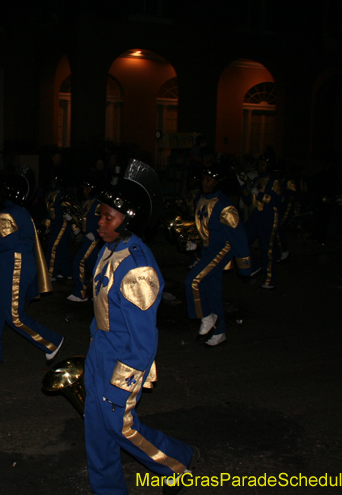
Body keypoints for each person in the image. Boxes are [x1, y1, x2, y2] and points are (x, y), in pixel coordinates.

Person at [85, 159, 197, 495]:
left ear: (128, 220)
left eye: (108, 217)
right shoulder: (110, 248)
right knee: (96, 427)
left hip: (124, 357)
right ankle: (108, 489)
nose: (100, 221)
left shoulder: (137, 268)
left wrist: (126, 378)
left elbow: (144, 339)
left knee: (121, 426)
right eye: (100, 214)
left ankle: (177, 462)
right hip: (101, 350)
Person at [0, 168, 63, 365]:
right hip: (9, 266)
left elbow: (4, 243)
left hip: (14, 268)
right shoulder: (19, 211)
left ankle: (51, 341)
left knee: (13, 315)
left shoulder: (10, 212)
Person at [185, 164, 255, 347]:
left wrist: (245, 267)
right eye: (203, 179)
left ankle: (207, 318)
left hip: (221, 249)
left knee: (192, 281)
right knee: (212, 292)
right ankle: (220, 331)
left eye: (209, 180)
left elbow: (238, 236)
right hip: (208, 250)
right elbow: (201, 225)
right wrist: (193, 241)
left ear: (218, 182)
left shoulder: (225, 206)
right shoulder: (201, 199)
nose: (204, 183)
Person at [241, 149, 282, 289]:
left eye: (263, 164)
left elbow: (277, 200)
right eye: (260, 164)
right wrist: (242, 186)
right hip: (255, 217)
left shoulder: (274, 181)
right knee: (240, 239)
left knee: (267, 249)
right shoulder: (257, 180)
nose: (260, 166)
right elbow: (248, 199)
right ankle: (254, 266)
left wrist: (260, 195)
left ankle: (270, 279)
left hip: (268, 217)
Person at [67, 176, 102, 302]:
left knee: (79, 261)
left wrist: (96, 233)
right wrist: (73, 220)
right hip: (87, 238)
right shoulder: (87, 202)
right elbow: (84, 220)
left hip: (93, 239)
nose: (84, 191)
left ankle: (80, 293)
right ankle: (100, 293)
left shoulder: (98, 204)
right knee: (95, 267)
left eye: (87, 188)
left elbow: (105, 221)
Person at [44, 172, 71, 280]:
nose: (52, 182)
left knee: (53, 247)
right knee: (61, 247)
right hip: (55, 223)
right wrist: (47, 225)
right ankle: (66, 271)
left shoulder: (62, 194)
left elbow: (66, 210)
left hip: (62, 224)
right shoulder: (50, 193)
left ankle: (51, 273)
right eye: (51, 180)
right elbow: (48, 211)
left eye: (54, 180)